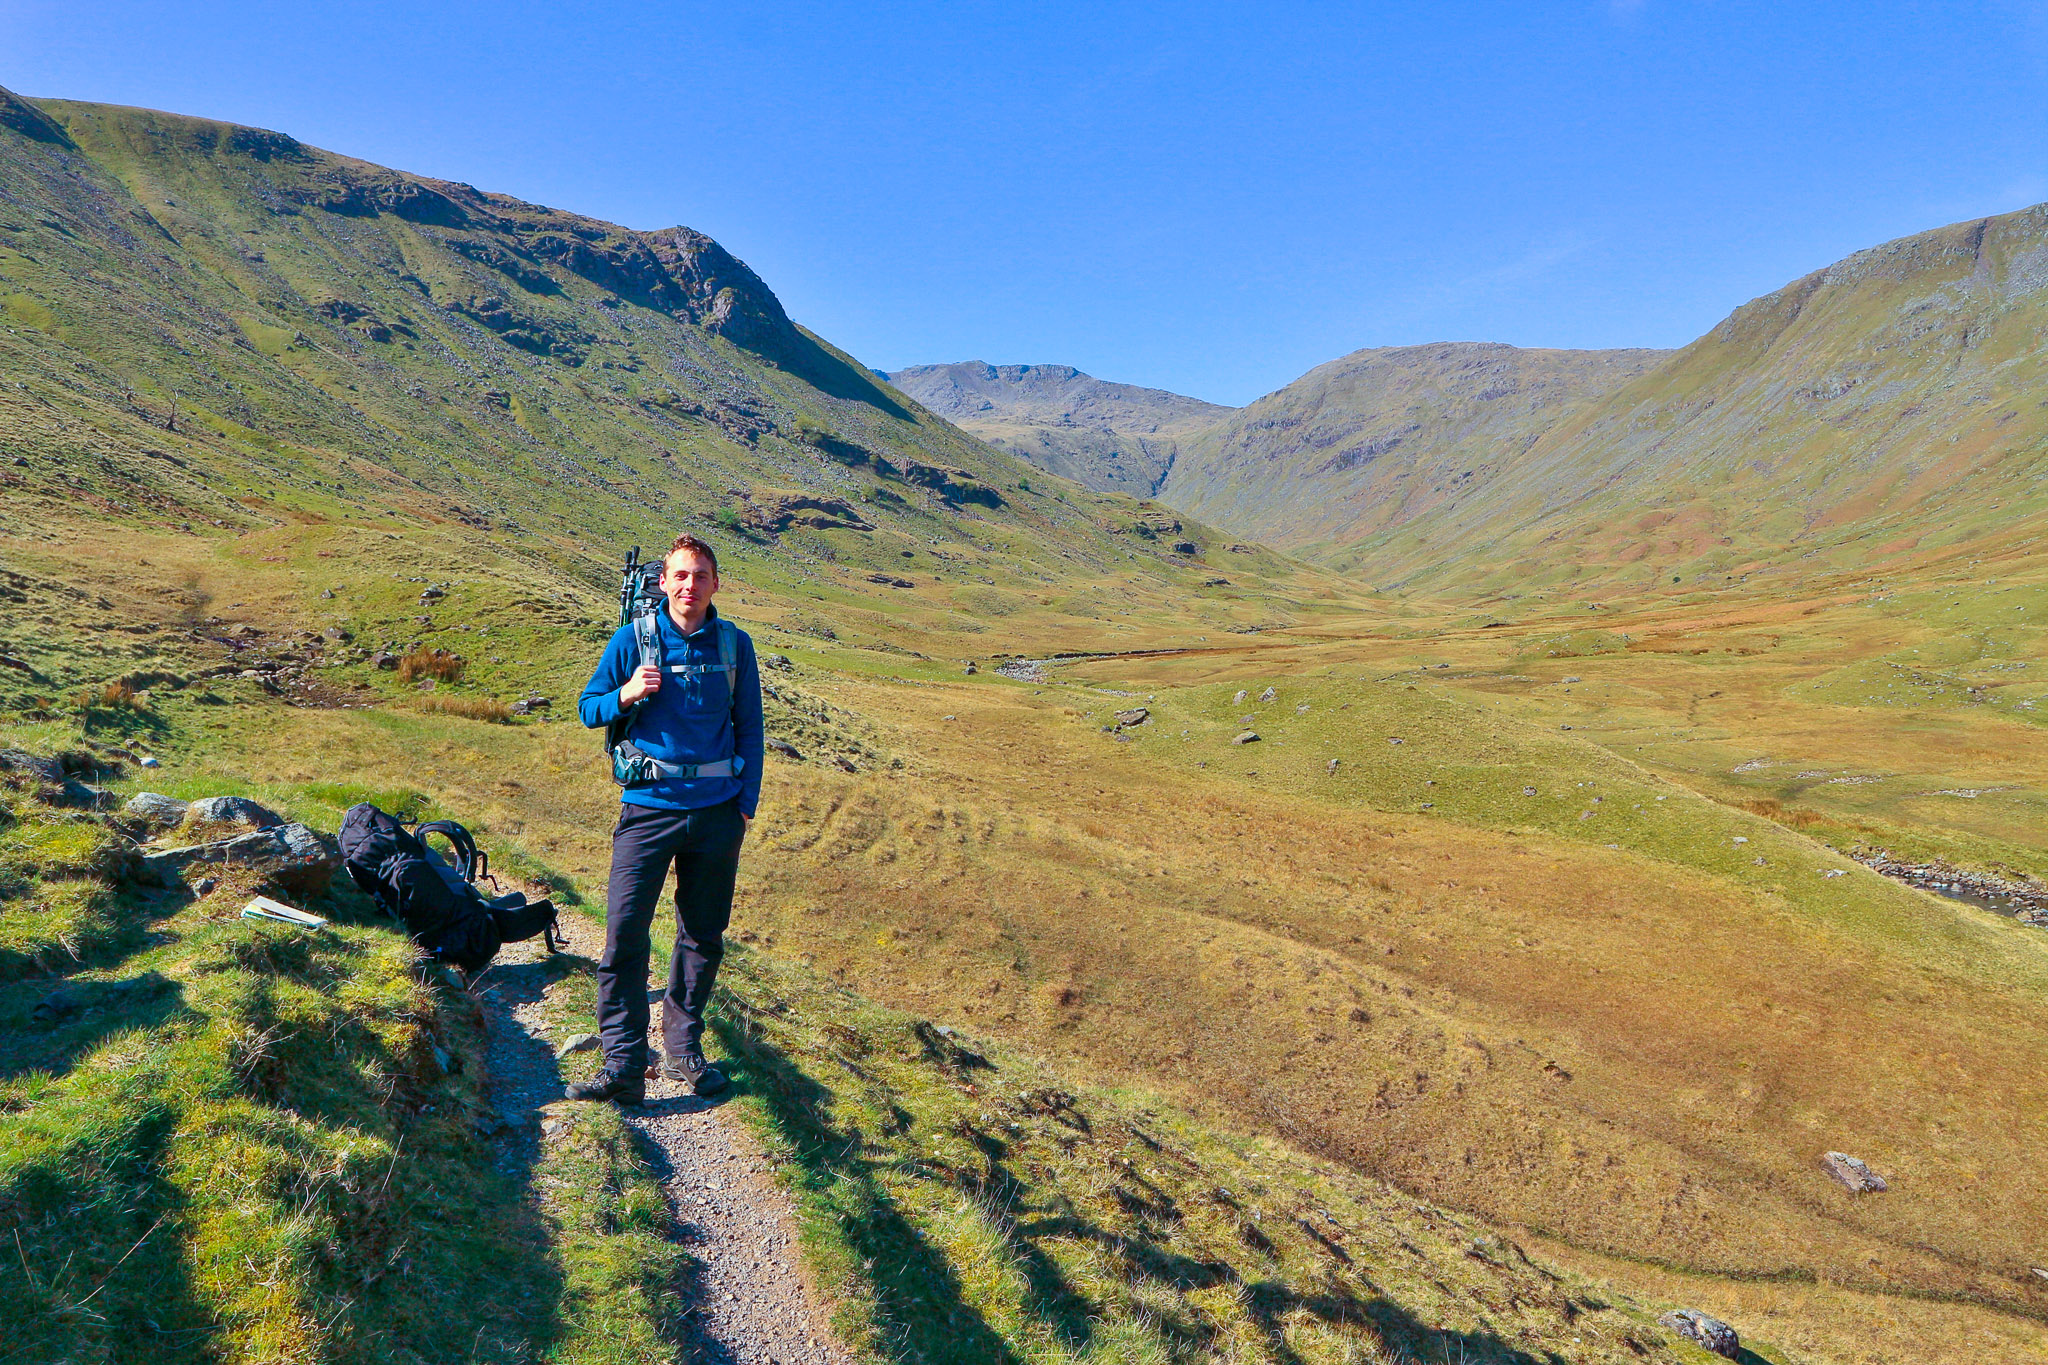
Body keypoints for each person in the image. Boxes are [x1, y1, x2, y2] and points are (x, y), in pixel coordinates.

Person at [568, 533, 764, 1104]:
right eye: (680, 575)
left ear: (715, 584)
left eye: (701, 575)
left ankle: (682, 1051)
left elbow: (750, 728)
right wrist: (625, 694)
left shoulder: (735, 645)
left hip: (717, 816)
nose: (689, 585)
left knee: (703, 938)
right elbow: (588, 708)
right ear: (663, 582)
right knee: (625, 936)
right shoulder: (631, 641)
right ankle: (624, 1067)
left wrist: (744, 805)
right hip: (648, 813)